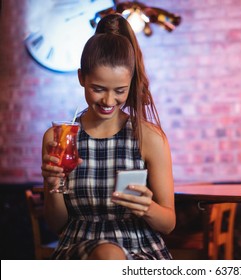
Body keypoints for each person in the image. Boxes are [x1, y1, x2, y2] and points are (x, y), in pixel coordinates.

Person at [41, 14, 175, 260]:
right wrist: (52, 185)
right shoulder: (60, 137)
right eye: (98, 89)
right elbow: (57, 225)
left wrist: (147, 207)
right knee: (107, 255)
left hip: (141, 250)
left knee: (110, 257)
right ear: (82, 78)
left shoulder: (149, 137)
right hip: (78, 248)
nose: (108, 101)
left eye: (120, 91)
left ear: (130, 83)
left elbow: (168, 224)